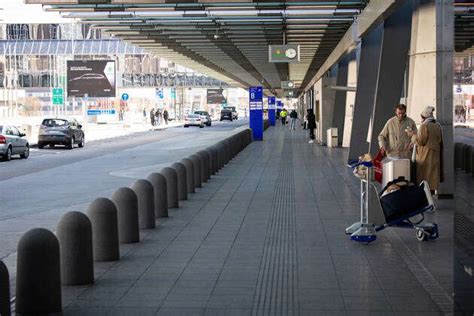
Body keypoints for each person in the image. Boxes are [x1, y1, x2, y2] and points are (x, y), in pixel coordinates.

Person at [406, 106, 444, 193]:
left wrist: (412, 134)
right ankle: (431, 201)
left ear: (424, 117)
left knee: (424, 181)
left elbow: (420, 142)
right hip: (435, 157)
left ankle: (426, 203)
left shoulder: (424, 126)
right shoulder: (437, 126)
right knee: (432, 182)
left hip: (425, 157)